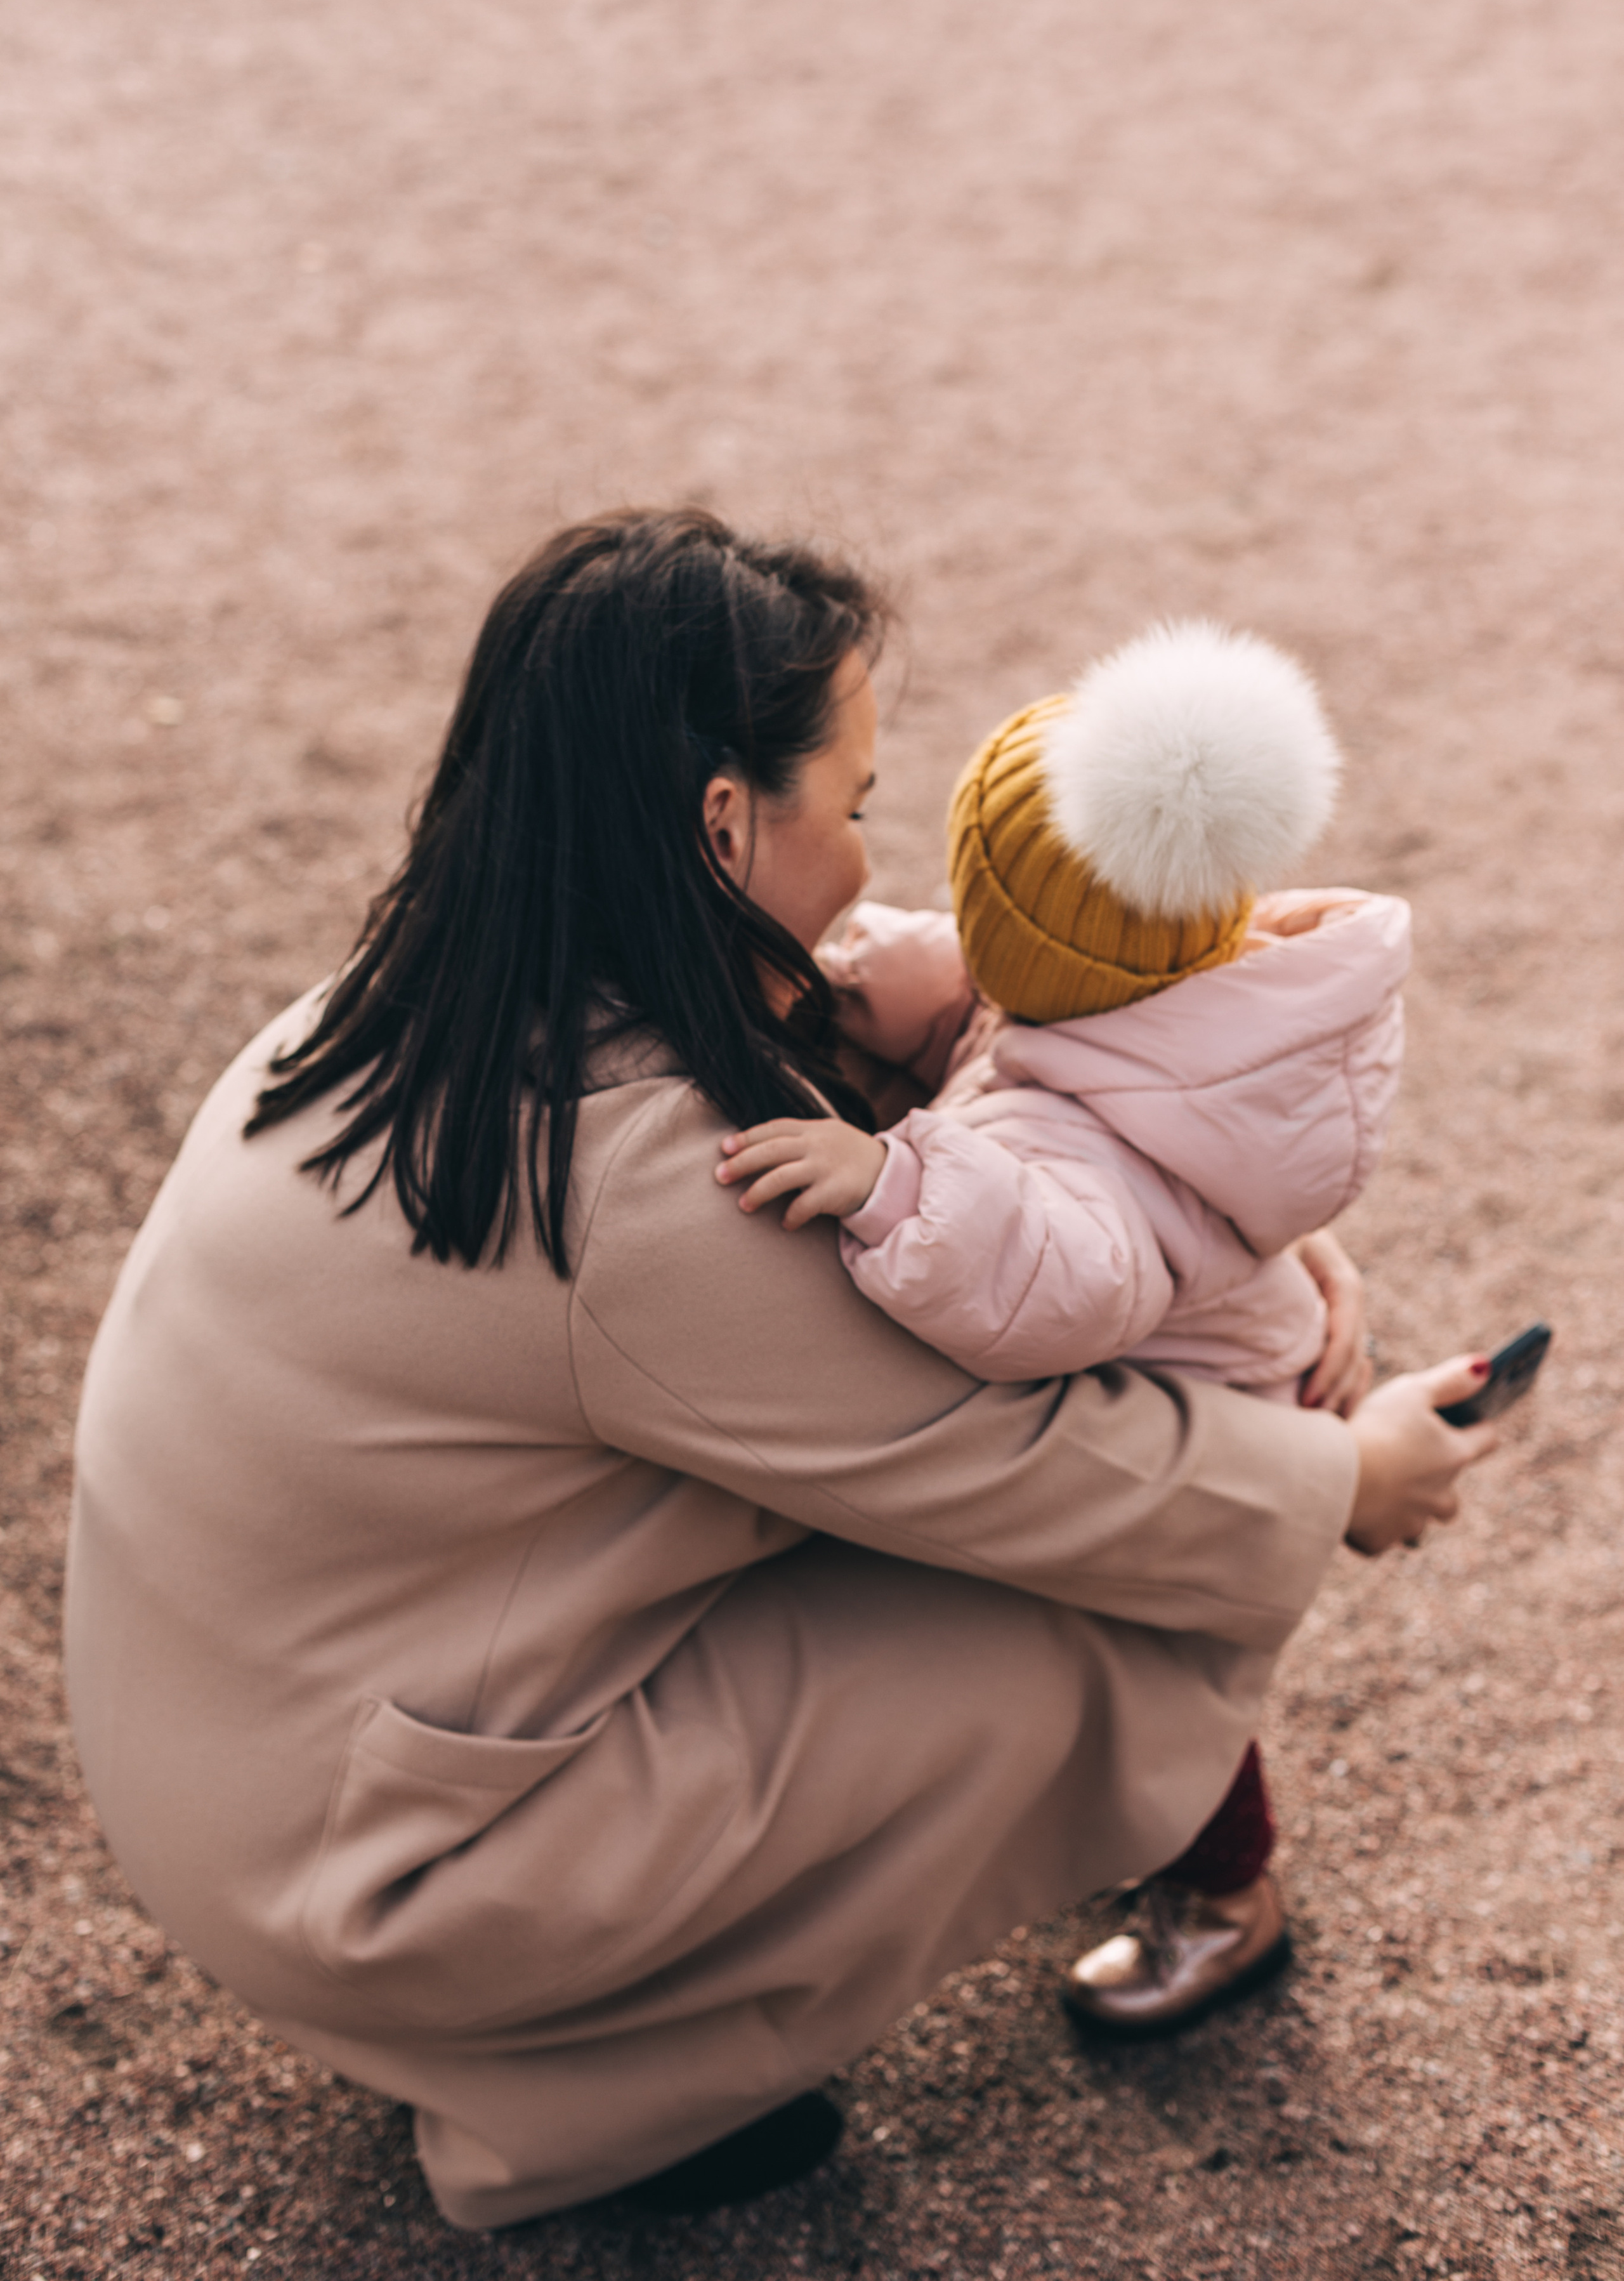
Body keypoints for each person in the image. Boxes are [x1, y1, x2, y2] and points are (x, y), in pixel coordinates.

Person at [65, 510, 1496, 2231]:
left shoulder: (416, 994)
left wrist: (1220, 1217)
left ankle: (558, 2018)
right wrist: (1351, 1479)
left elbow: (906, 1032)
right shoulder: (644, 1193)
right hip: (386, 1878)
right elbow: (1011, 1459)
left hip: (259, 1779)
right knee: (1066, 1636)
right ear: (725, 823)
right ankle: (594, 2101)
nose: (879, 857)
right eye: (862, 802)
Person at [715, 618, 1418, 2032]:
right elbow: (971, 1004)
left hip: (1196, 1413)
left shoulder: (1098, 1144)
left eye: (976, 910)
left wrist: (892, 1174)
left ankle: (1225, 1902)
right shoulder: (1134, 984)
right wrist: (854, 977)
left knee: (1156, 1691)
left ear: (1034, 946)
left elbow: (1049, 1282)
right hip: (1213, 1345)